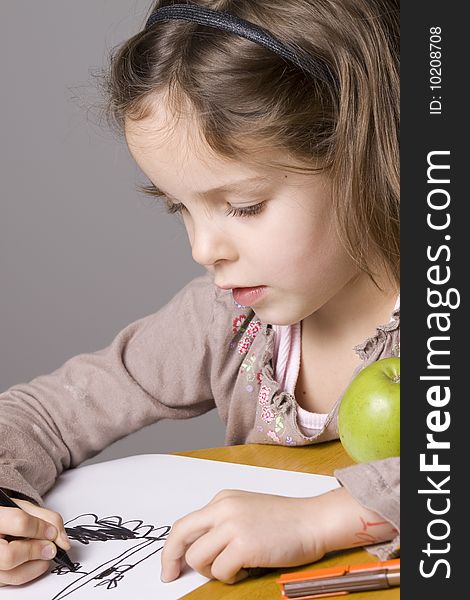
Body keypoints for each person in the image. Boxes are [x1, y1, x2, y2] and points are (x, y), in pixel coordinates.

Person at [0, 0, 400, 589]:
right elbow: (41, 415)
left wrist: (328, 519)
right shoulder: (226, 319)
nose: (203, 248)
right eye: (180, 208)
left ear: (366, 154)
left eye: (244, 206)